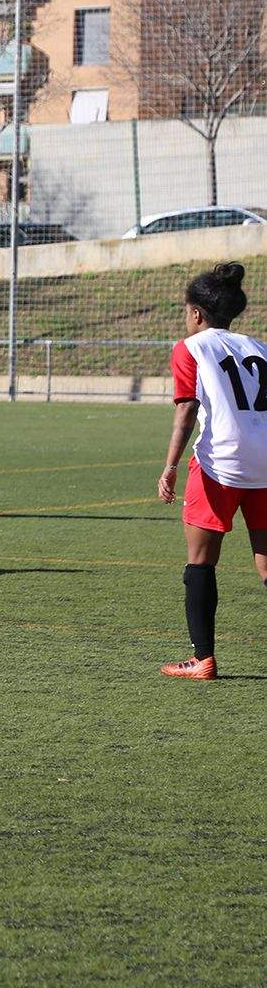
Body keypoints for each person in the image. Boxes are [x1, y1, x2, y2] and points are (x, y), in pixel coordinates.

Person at [157, 262, 267, 680]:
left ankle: (202, 659)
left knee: (200, 562)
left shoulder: (191, 347)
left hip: (222, 463)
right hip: (266, 461)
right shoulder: (259, 347)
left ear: (196, 313)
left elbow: (187, 410)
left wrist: (169, 466)